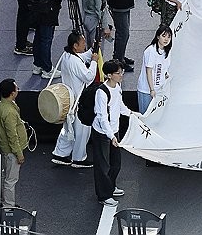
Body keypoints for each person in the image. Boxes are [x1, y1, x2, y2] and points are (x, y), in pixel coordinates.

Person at [51, 29, 99, 168]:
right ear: (75, 46)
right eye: (82, 43)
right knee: (82, 130)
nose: (84, 44)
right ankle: (78, 158)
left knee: (68, 129)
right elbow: (89, 77)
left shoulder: (67, 56)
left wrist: (92, 50)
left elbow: (82, 57)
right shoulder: (75, 62)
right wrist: (94, 61)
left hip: (69, 98)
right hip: (79, 100)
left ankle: (60, 154)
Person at [90, 59, 130, 207]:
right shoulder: (101, 92)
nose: (121, 75)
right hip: (103, 133)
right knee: (103, 165)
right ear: (109, 75)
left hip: (114, 131)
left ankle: (111, 187)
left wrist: (132, 114)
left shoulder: (117, 87)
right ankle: (104, 195)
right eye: (118, 73)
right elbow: (101, 117)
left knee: (116, 163)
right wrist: (111, 136)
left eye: (121, 72)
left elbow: (120, 106)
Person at [0, 78, 26, 208]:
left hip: (6, 148)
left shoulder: (2, 105)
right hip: (11, 151)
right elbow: (12, 136)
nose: (18, 90)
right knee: (11, 180)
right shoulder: (9, 112)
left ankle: (5, 201)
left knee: (6, 175)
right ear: (12, 93)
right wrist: (19, 154)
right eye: (16, 88)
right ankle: (9, 206)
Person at [137, 26, 172, 114]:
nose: (166, 39)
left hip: (159, 89)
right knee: (146, 115)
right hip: (147, 90)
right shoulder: (151, 51)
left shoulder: (166, 51)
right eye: (164, 36)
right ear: (157, 36)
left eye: (169, 37)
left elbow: (163, 68)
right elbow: (149, 71)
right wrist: (152, 89)